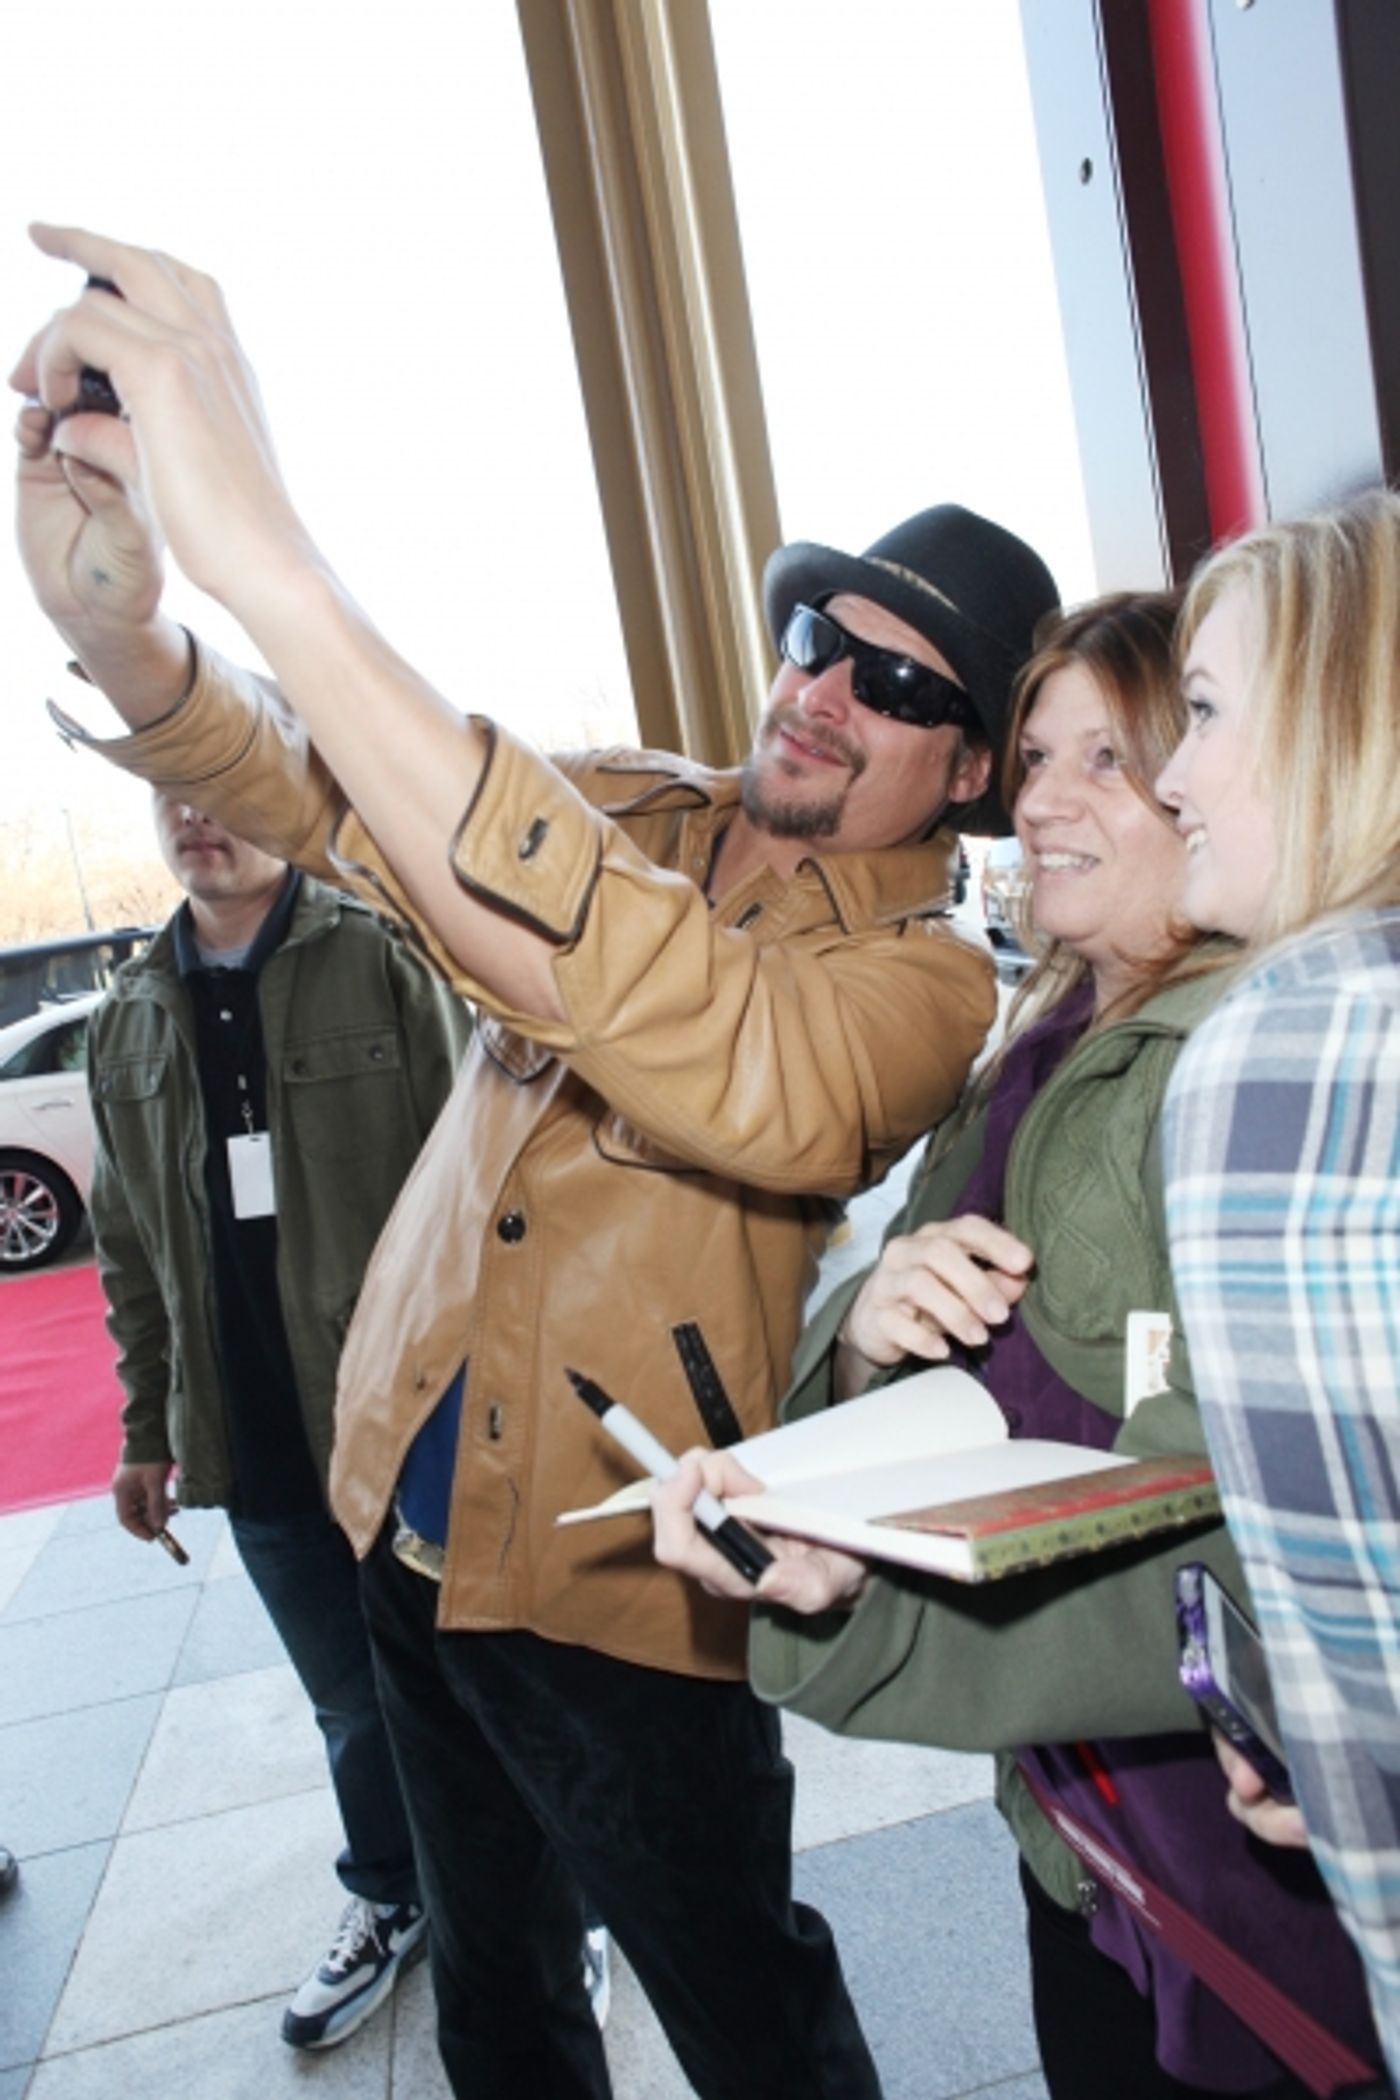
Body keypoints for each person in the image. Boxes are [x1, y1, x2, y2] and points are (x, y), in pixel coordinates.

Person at [11, 229, 1060, 2100]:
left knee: (746, 2014)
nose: (824, 691)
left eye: (901, 688)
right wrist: (134, 639)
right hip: (405, 1518)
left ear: (973, 770)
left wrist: (280, 560)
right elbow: (332, 794)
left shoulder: (921, 985)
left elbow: (701, 1032)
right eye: (818, 642)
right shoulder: (633, 804)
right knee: (497, 1999)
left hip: (626, 1571)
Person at [653, 591, 1384, 2098]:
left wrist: (863, 1608)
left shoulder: (1239, 1074)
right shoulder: (1035, 1047)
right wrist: (868, 1339)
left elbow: (1227, 1532)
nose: (1039, 801)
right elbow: (906, 1389)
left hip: (1224, 1876)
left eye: (1109, 758)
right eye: (1035, 756)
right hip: (1076, 1834)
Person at [89, 792, 468, 2050]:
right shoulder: (129, 1014)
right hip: (253, 1435)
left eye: (224, 783)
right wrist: (147, 1427)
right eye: (170, 789)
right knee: (351, 1704)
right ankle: (393, 1894)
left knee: (483, 1687)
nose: (196, 814)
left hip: (412, 1425)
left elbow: (483, 1184)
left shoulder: (383, 955)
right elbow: (127, 1246)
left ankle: (548, 1907)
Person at [1158, 488, 1400, 2096]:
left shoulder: (1291, 1041)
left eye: (1202, 712)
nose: (1170, 776)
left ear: (1339, 725)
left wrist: (1344, 1763)